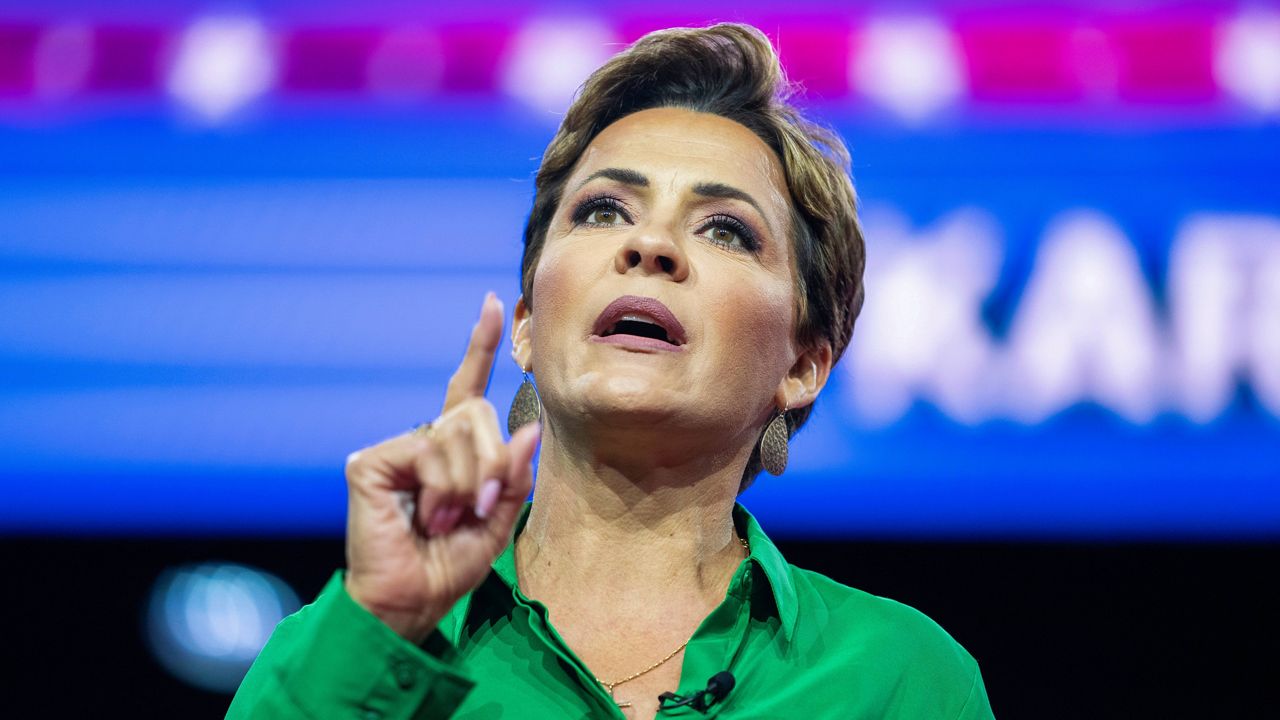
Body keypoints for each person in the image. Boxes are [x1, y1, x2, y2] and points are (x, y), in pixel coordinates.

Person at [227, 22, 994, 720]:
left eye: (725, 230)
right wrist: (380, 625)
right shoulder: (345, 650)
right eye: (602, 211)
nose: (650, 245)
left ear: (802, 364)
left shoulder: (905, 680)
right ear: (528, 325)